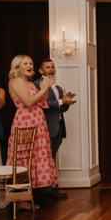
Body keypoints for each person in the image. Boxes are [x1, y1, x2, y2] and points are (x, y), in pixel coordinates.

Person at [7, 55, 58, 209]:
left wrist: (46, 87)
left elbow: (42, 101)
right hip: (26, 122)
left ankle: (31, 196)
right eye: (26, 63)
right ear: (17, 67)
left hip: (38, 122)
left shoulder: (30, 82)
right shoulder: (16, 81)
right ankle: (19, 199)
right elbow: (28, 102)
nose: (30, 65)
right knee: (23, 158)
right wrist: (42, 89)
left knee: (35, 157)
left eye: (31, 63)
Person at [34, 59, 77, 201]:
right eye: (47, 67)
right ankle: (42, 194)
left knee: (50, 160)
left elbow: (61, 108)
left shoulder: (57, 88)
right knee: (44, 161)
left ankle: (50, 190)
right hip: (45, 128)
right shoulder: (37, 85)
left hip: (58, 128)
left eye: (52, 67)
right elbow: (42, 104)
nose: (51, 69)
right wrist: (61, 101)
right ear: (41, 71)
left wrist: (67, 102)